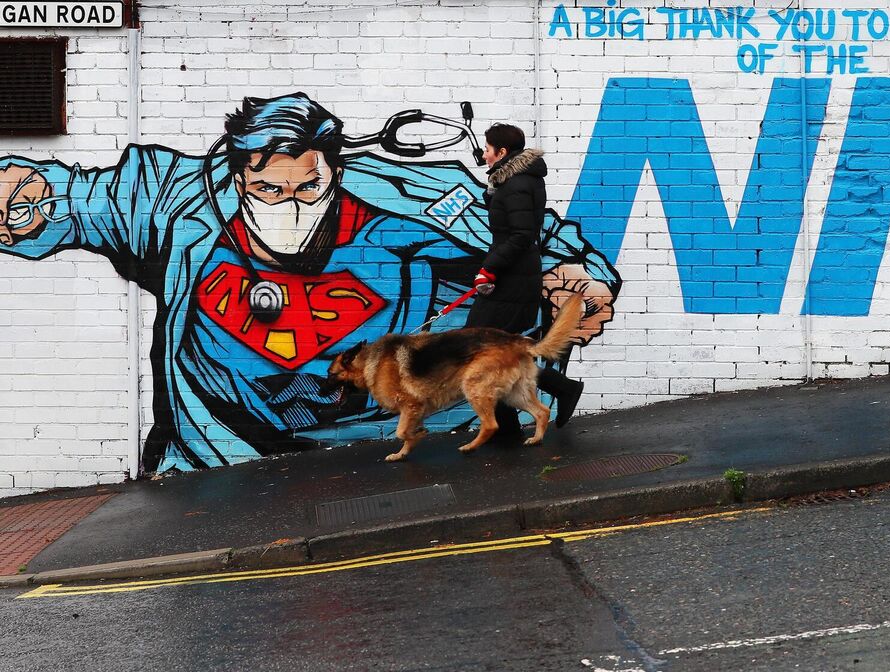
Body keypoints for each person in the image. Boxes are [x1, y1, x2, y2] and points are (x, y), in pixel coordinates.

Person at [0, 93, 619, 472]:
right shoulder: (173, 201)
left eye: (307, 187)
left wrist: (574, 280)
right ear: (238, 176)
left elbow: (530, 234)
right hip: (219, 451)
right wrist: (26, 192)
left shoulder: (414, 200)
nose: (288, 202)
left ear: (334, 172)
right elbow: (81, 194)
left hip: (395, 428)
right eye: (268, 188)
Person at [466, 123, 585, 436]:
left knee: (485, 347)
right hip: (513, 275)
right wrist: (493, 190)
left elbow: (520, 235)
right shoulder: (512, 182)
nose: (483, 154)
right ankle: (507, 428)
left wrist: (489, 268)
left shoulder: (517, 183)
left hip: (513, 279)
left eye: (488, 149)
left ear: (502, 152)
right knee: (496, 353)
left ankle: (560, 389)